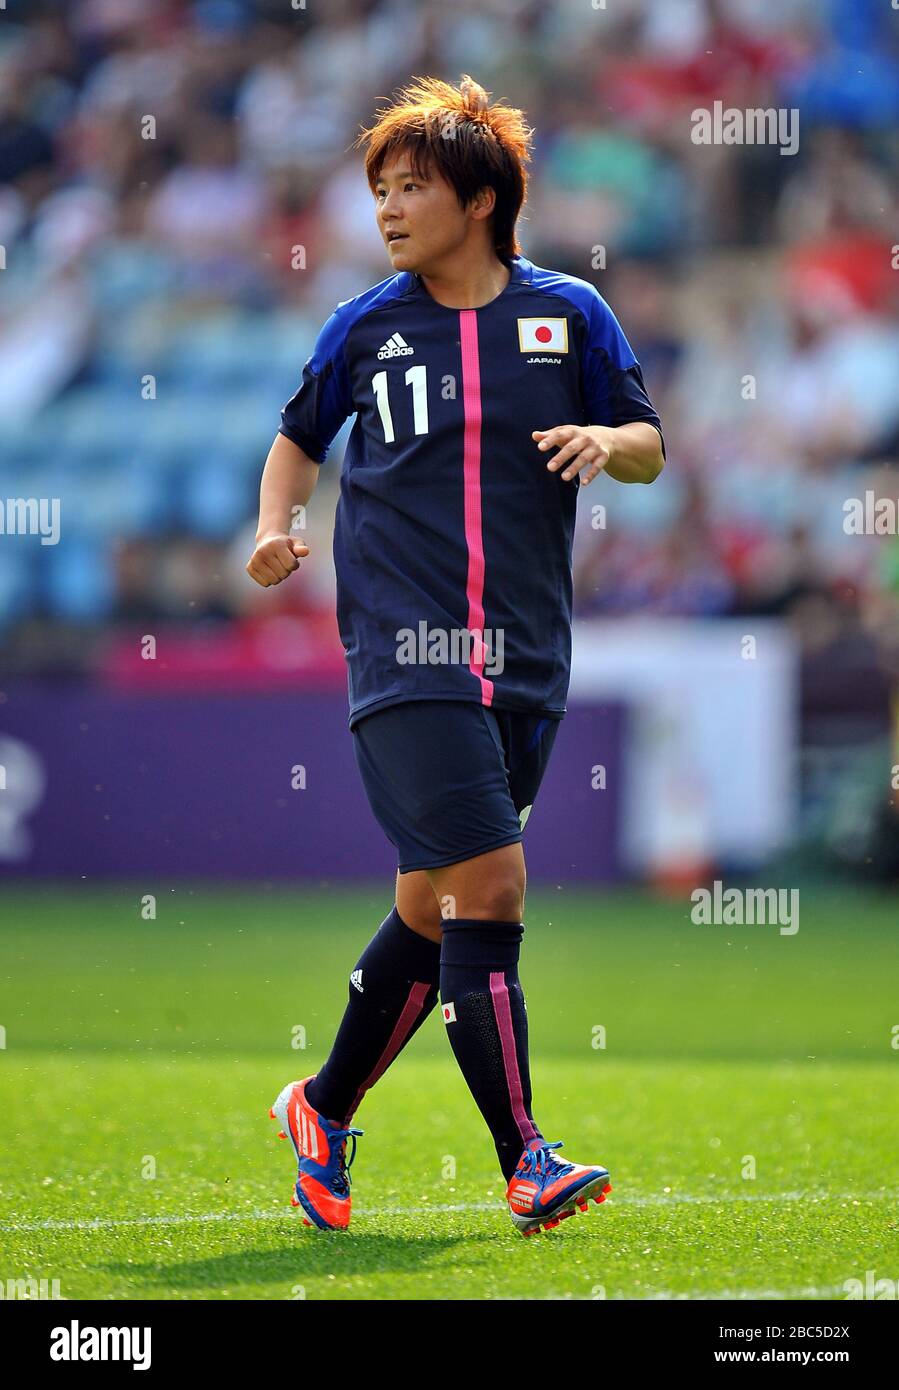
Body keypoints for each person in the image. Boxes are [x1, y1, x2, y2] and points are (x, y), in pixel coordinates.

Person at [247, 75, 665, 1236]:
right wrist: (275, 526)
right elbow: (295, 439)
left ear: (478, 198)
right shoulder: (365, 326)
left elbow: (647, 443)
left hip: (525, 655)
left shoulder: (570, 315)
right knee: (491, 885)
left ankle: (321, 1109)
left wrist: (606, 440)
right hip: (405, 651)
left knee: (433, 913)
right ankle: (526, 1159)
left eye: (410, 186)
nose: (386, 208)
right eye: (378, 189)